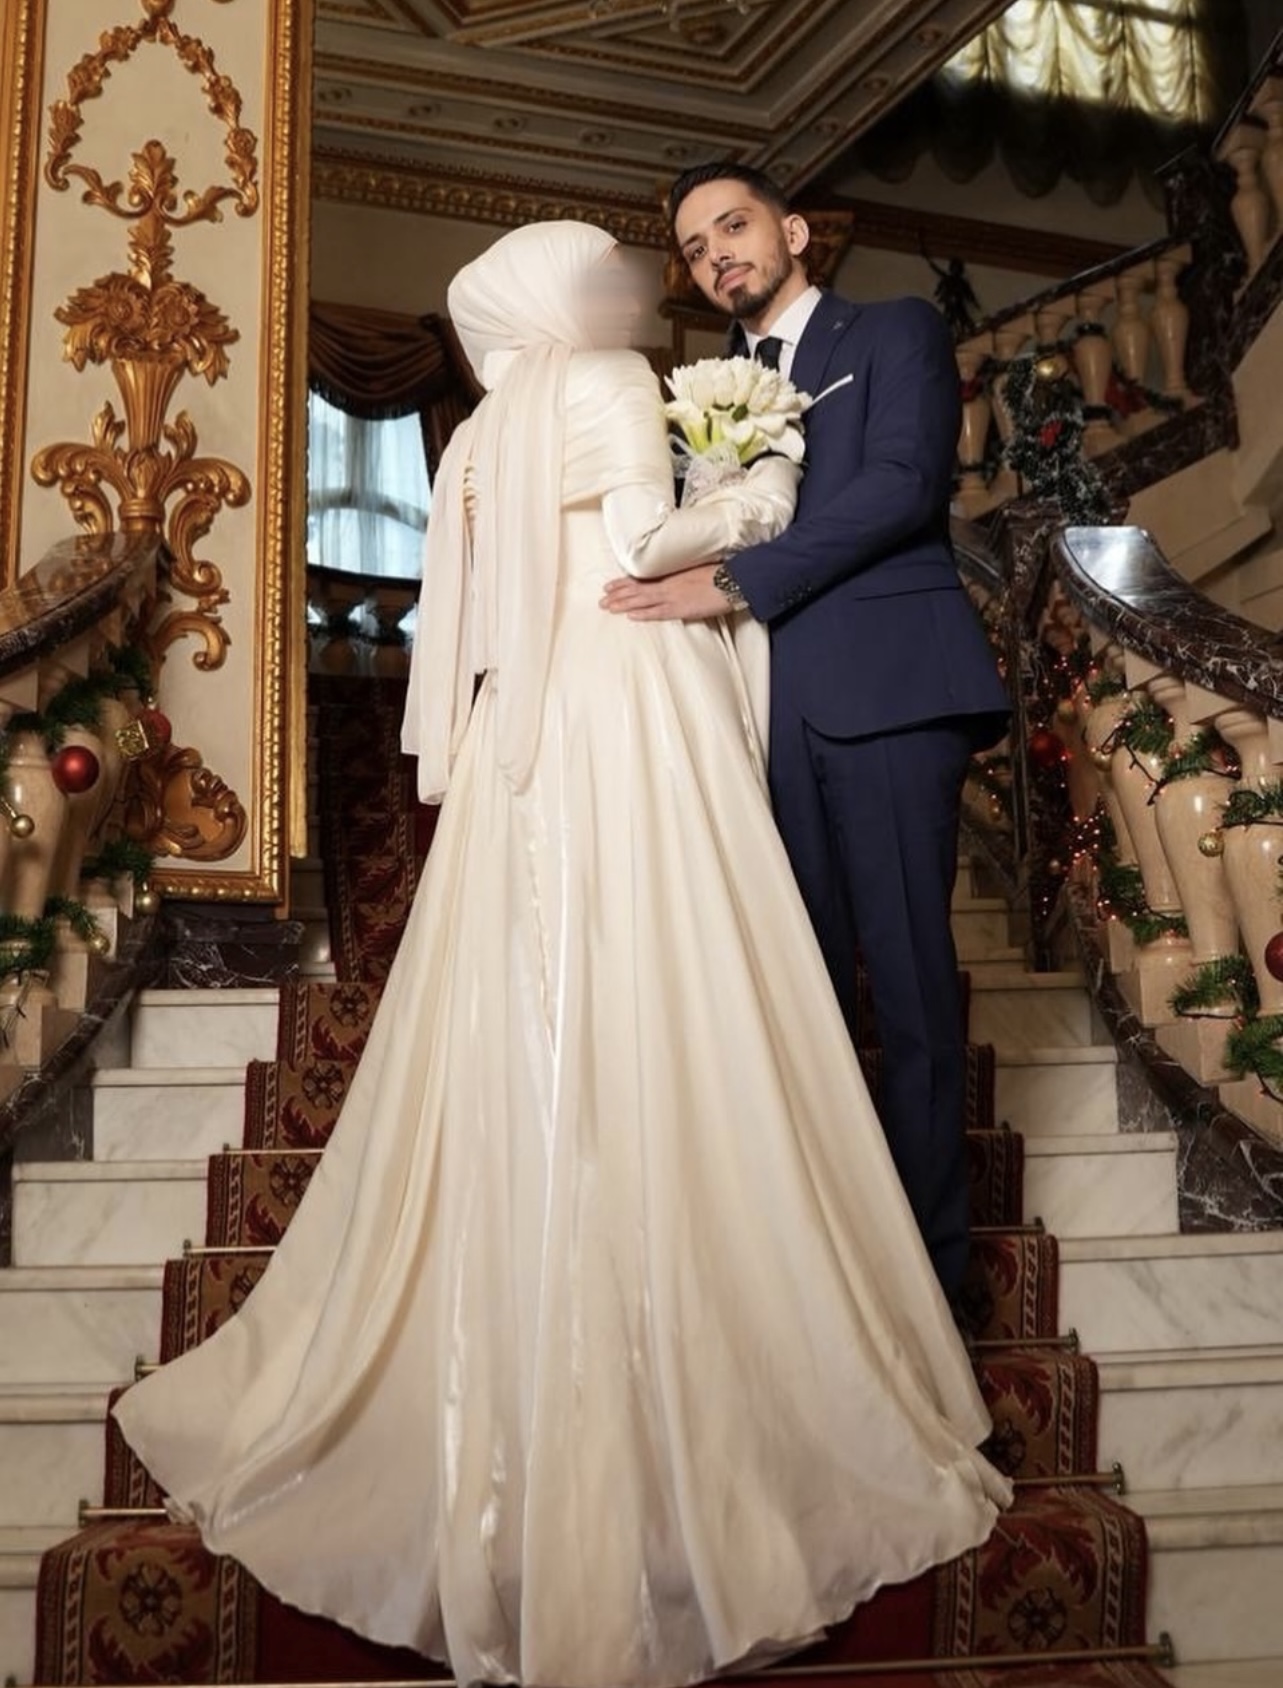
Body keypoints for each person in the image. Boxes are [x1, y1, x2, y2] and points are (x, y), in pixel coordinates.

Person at [115, 220, 1009, 1688]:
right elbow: (644, 548)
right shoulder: (605, 380)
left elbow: (484, 600)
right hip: (635, 693)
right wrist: (755, 489)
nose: (634, 285)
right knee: (686, 968)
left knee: (541, 974)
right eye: (609, 269)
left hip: (526, 738)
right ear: (558, 299)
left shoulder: (479, 431)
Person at [604, 164, 1011, 1301]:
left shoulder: (891, 332)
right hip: (762, 717)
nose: (715, 256)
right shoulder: (701, 394)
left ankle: (931, 1286)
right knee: (803, 995)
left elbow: (901, 485)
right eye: (694, 248)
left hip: (888, 693)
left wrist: (736, 579)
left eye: (732, 226)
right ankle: (831, 1279)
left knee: (911, 993)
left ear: (791, 231)